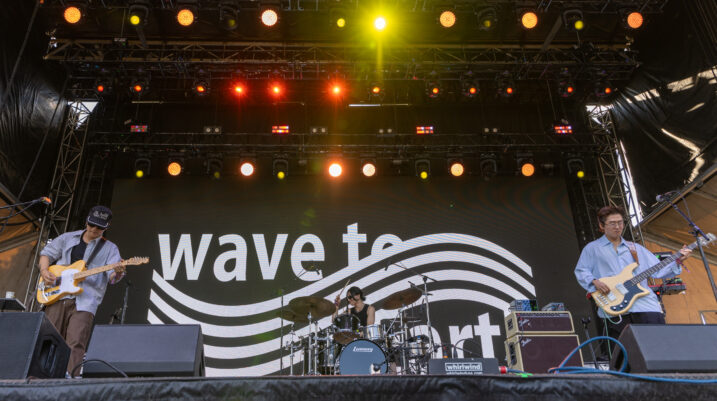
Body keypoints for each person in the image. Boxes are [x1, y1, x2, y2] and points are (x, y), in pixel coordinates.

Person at [574, 205, 690, 343]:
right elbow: (581, 270)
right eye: (612, 223)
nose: (617, 227)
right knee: (624, 351)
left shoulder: (636, 248)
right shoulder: (592, 248)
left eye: (620, 222)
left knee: (656, 346)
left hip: (645, 305)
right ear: (601, 225)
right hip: (615, 306)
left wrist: (678, 260)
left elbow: (658, 270)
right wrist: (594, 281)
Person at [38, 205, 125, 377]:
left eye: (99, 227)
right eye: (91, 224)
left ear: (107, 227)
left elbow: (112, 278)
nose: (93, 229)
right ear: (86, 221)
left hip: (85, 301)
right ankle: (39, 377)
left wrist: (119, 271)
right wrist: (44, 270)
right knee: (48, 338)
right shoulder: (68, 238)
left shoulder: (110, 249)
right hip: (56, 295)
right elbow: (46, 253)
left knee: (76, 341)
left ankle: (71, 378)